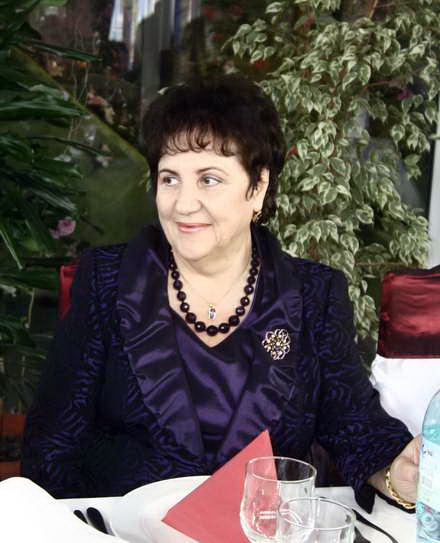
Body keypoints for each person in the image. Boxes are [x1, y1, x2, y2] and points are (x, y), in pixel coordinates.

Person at [22, 75, 419, 512]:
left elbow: (355, 427)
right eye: (170, 179)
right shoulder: (107, 280)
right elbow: (51, 448)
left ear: (257, 187)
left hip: (260, 533)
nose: (183, 203)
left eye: (209, 179)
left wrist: (398, 472)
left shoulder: (314, 294)